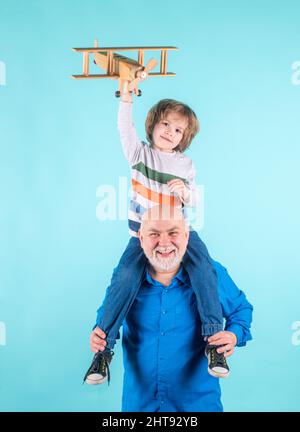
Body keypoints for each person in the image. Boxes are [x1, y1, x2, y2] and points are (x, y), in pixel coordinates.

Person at [84, 83, 227, 384]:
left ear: (184, 138)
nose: (169, 132)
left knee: (203, 268)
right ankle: (103, 351)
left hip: (177, 233)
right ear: (153, 125)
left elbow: (195, 198)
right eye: (165, 124)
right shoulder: (139, 154)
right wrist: (126, 97)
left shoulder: (185, 164)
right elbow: (125, 128)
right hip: (143, 235)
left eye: (177, 130)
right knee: (124, 277)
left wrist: (186, 193)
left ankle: (214, 343)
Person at [90, 206, 253, 412]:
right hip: (141, 406)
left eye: (173, 233)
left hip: (198, 405)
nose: (164, 243)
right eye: (154, 234)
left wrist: (233, 335)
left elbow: (241, 310)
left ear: (186, 235)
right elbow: (105, 316)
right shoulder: (125, 281)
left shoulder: (211, 274)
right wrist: (98, 336)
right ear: (140, 238)